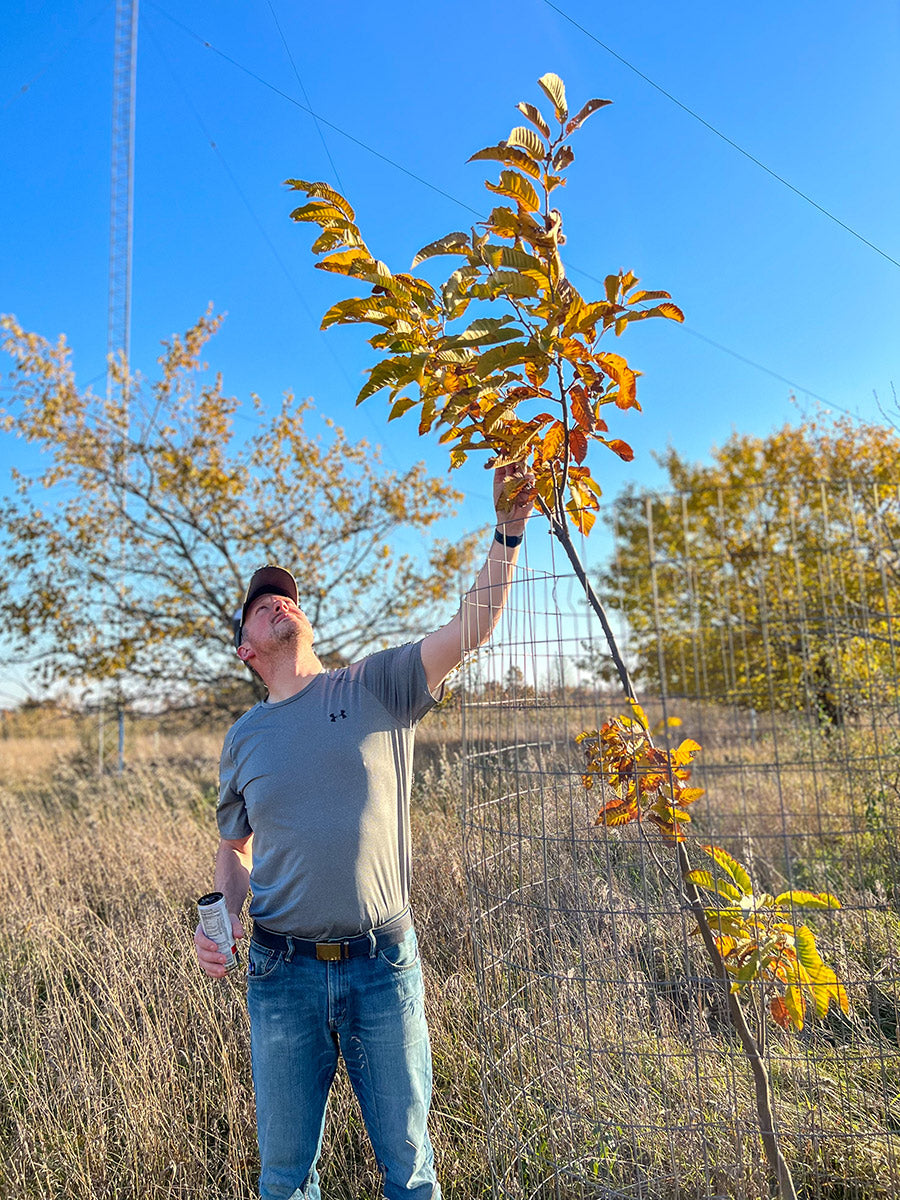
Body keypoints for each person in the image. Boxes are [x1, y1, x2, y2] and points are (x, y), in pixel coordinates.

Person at [194, 464, 531, 1200]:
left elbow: (473, 625)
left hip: (383, 967)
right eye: (259, 606)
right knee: (285, 1179)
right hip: (281, 976)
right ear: (247, 651)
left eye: (283, 595)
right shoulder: (243, 738)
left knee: (409, 1174)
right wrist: (219, 916)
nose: (275, 601)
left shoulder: (378, 683)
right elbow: (235, 850)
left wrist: (507, 529)